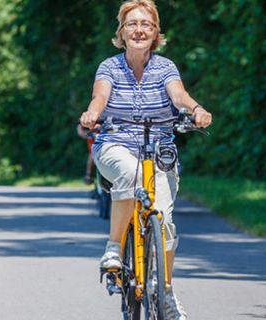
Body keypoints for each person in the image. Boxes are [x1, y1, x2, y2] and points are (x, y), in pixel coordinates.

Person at [79, 1, 212, 319]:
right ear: (121, 33)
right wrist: (93, 114)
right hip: (115, 146)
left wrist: (196, 110)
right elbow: (100, 97)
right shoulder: (109, 67)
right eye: (131, 24)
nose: (139, 30)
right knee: (128, 173)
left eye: (146, 25)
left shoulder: (165, 68)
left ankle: (165, 291)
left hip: (158, 152)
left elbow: (178, 95)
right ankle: (114, 247)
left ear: (156, 34)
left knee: (164, 223)